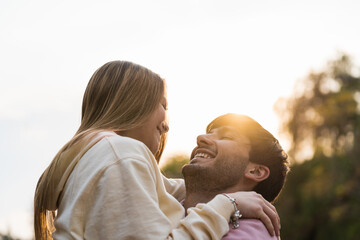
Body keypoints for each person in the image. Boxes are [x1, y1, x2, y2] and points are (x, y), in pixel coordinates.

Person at [34, 61, 280, 239]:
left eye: (226, 136)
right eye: (163, 105)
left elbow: (168, 187)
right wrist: (227, 203)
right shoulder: (121, 155)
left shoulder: (99, 158)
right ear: (134, 105)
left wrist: (225, 189)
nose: (166, 123)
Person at [182, 113, 290, 240]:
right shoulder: (163, 202)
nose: (201, 138)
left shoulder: (250, 234)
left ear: (255, 171)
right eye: (209, 133)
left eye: (226, 136)